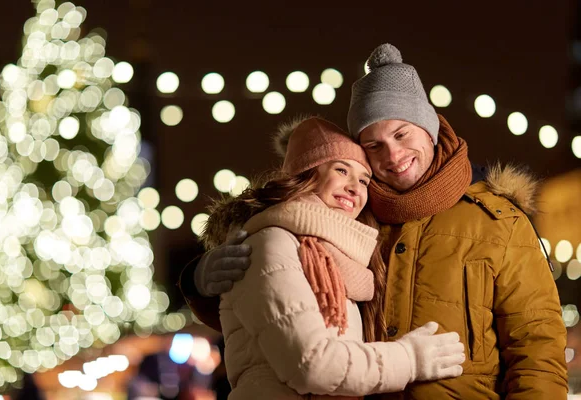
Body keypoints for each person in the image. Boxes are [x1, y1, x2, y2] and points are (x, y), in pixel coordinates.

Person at [179, 44, 568, 399]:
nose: (393, 154)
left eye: (402, 133)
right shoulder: (344, 219)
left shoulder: (498, 222)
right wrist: (199, 279)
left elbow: (537, 348)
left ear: (429, 129)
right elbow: (271, 312)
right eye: (373, 145)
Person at [196, 116, 465, 399]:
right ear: (307, 172)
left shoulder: (337, 255)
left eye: (364, 180)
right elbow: (310, 366)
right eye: (341, 170)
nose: (355, 188)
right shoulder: (271, 242)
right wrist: (410, 359)